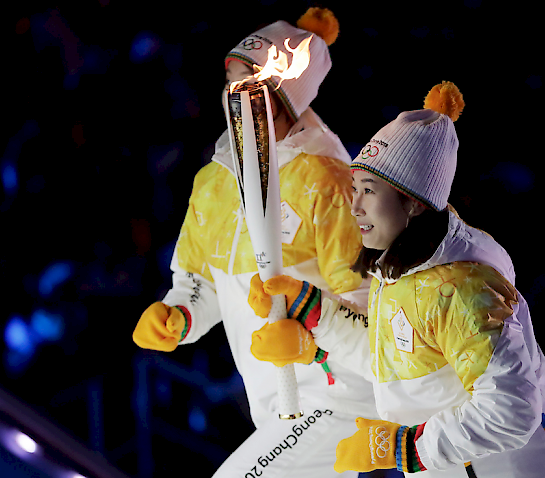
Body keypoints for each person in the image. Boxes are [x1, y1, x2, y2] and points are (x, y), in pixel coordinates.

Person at [247, 82, 545, 477]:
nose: (354, 206)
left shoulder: (463, 289)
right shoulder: (402, 269)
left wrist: (401, 447)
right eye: (354, 189)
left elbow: (511, 412)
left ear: (413, 202)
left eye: (369, 191)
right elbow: (399, 364)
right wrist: (316, 319)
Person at [132, 8, 381, 478]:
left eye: (249, 82)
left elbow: (366, 309)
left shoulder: (325, 181)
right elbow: (199, 281)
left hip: (336, 397)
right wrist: (179, 315)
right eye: (231, 80)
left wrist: (313, 344)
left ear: (284, 95)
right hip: (271, 404)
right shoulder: (214, 181)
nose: (234, 95)